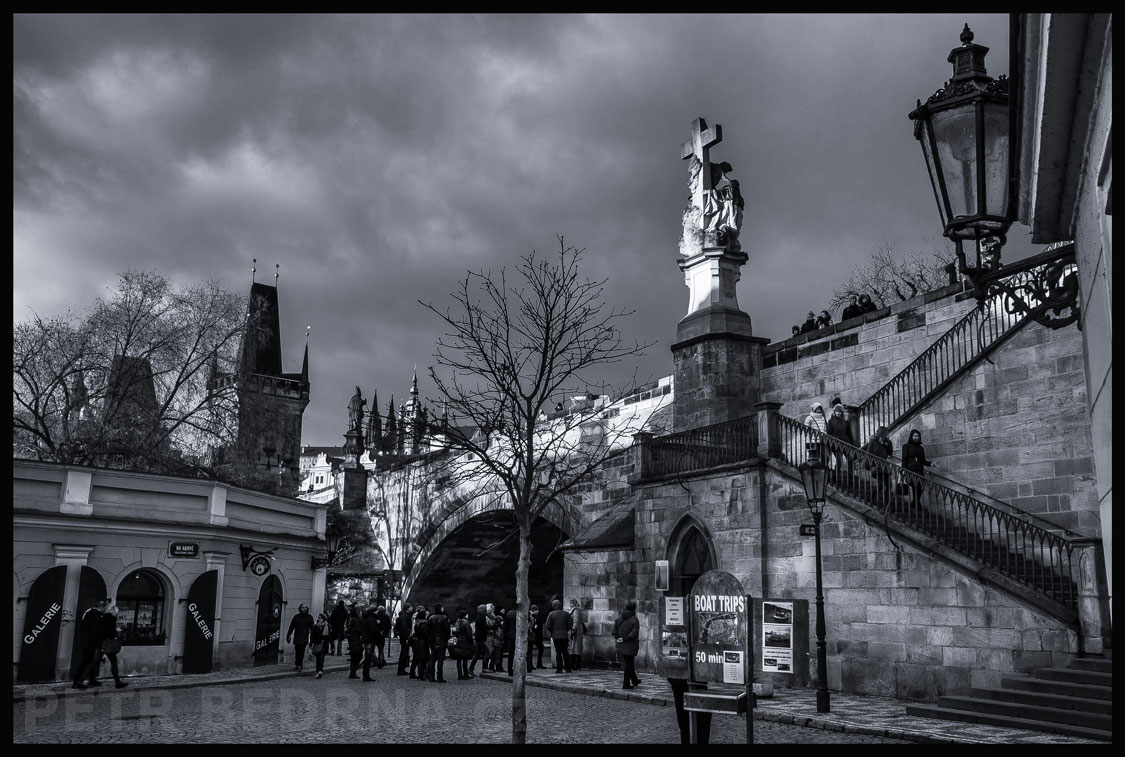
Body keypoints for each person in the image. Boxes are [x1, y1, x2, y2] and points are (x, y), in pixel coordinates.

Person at [73, 597, 108, 689]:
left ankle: (92, 680)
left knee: (90, 661)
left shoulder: (88, 613)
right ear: (102, 607)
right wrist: (98, 645)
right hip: (91, 643)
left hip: (85, 642)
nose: (105, 610)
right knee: (85, 662)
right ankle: (76, 682)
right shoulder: (97, 616)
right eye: (105, 608)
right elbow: (95, 632)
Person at [902, 428, 936, 511]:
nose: (917, 438)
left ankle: (914, 503)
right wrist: (904, 470)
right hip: (910, 470)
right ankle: (917, 505)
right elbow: (904, 459)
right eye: (915, 436)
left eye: (918, 436)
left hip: (920, 470)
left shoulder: (920, 448)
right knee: (915, 487)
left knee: (919, 488)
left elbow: (923, 461)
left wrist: (931, 463)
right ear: (911, 437)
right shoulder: (906, 446)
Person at [95, 603, 127, 689]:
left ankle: (82, 679)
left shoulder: (104, 617)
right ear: (113, 612)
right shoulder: (111, 618)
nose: (117, 614)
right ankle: (118, 682)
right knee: (113, 663)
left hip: (102, 642)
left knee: (95, 661)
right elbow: (110, 632)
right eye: (117, 612)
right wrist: (116, 633)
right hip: (108, 643)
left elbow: (104, 630)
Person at [861, 425, 894, 507]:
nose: (887, 435)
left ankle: (886, 503)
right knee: (880, 485)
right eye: (885, 433)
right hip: (876, 465)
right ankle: (870, 498)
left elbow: (890, 453)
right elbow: (869, 453)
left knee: (889, 485)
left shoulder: (887, 442)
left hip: (885, 465)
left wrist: (887, 444)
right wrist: (871, 466)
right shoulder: (873, 441)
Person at [612, 600, 641, 690]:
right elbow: (634, 634)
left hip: (620, 644)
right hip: (629, 645)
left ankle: (635, 680)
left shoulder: (619, 617)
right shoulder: (634, 619)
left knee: (629, 663)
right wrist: (624, 639)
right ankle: (626, 684)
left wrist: (618, 638)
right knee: (628, 664)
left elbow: (614, 630)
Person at [826, 403, 854, 484]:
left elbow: (849, 433)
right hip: (836, 444)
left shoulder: (845, 421)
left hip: (846, 442)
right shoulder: (831, 421)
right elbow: (829, 433)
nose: (838, 413)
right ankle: (835, 476)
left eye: (840, 412)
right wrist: (833, 442)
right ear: (834, 412)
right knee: (839, 461)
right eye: (837, 412)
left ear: (842, 412)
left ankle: (850, 478)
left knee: (850, 459)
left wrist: (852, 443)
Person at [543, 599, 572, 673]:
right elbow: (570, 624)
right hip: (564, 635)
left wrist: (552, 630)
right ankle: (568, 668)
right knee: (565, 651)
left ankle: (559, 669)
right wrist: (565, 629)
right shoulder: (566, 614)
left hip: (555, 635)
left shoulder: (551, 614)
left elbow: (548, 625)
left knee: (558, 652)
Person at [286, 603, 315, 672]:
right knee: (297, 651)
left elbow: (312, 628)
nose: (304, 609)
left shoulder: (309, 617)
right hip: (297, 636)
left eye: (305, 607)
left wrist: (312, 638)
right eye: (303, 607)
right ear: (300, 608)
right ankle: (297, 664)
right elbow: (291, 626)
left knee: (301, 651)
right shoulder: (296, 617)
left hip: (304, 636)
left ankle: (300, 665)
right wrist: (289, 635)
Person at [427, 603, 451, 683]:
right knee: (440, 660)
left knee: (432, 659)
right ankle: (439, 677)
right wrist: (447, 638)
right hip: (442, 640)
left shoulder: (431, 618)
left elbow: (428, 630)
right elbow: (447, 630)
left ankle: (431, 676)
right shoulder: (444, 618)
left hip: (433, 641)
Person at [468, 604, 491, 677]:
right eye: (485, 610)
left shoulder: (480, 617)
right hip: (480, 639)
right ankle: (484, 668)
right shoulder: (480, 618)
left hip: (479, 638)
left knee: (477, 654)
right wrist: (494, 627)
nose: (486, 611)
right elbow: (485, 627)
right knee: (488, 652)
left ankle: (471, 669)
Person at [360, 604, 382, 681]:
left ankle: (365, 675)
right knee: (368, 658)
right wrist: (379, 630)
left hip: (366, 639)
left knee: (368, 657)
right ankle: (366, 675)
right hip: (370, 639)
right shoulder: (371, 619)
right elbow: (374, 630)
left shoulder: (365, 618)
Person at [452, 609, 475, 679]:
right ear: (465, 615)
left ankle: (459, 675)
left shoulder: (457, 622)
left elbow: (455, 632)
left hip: (459, 641)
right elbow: (469, 634)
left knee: (459, 660)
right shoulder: (466, 623)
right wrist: (471, 642)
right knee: (465, 659)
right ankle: (465, 674)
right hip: (465, 642)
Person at [409, 606, 431, 680]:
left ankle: (414, 673)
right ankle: (423, 674)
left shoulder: (417, 623)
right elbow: (426, 633)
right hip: (423, 642)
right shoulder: (424, 623)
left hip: (417, 642)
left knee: (416, 658)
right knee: (424, 659)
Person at [345, 603, 364, 679]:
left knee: (355, 656)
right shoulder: (356, 619)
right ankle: (353, 672)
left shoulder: (351, 618)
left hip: (353, 638)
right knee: (357, 656)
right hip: (356, 639)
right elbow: (359, 629)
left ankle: (352, 672)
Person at [395, 603, 414, 675]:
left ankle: (402, 669)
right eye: (411, 607)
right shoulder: (405, 617)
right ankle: (401, 669)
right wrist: (406, 637)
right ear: (407, 608)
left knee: (404, 653)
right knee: (404, 653)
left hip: (404, 637)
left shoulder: (405, 616)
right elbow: (404, 628)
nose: (412, 608)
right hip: (405, 637)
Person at [568, 599, 585, 671]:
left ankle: (576, 665)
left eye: (571, 603)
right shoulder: (575, 610)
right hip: (575, 629)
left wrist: (573, 629)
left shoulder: (576, 611)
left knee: (576, 648)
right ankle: (575, 665)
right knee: (574, 647)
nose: (570, 605)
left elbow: (576, 621)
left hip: (576, 630)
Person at [311, 613, 330, 678]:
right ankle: (318, 670)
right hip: (317, 643)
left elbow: (329, 636)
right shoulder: (315, 626)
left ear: (324, 619)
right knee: (318, 658)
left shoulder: (327, 626)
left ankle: (320, 671)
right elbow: (312, 636)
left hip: (324, 644)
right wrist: (311, 643)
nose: (319, 619)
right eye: (319, 618)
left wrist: (332, 645)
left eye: (321, 618)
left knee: (321, 658)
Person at [527, 604, 546, 670]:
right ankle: (532, 664)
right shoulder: (531, 617)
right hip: (534, 636)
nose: (538, 611)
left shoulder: (537, 617)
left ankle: (538, 664)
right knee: (531, 650)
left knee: (540, 649)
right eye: (536, 610)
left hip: (536, 636)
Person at [488, 604, 506, 673]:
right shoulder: (498, 620)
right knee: (498, 654)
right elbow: (499, 633)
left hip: (496, 640)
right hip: (498, 640)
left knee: (495, 654)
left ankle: (491, 666)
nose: (504, 610)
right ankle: (498, 667)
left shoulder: (495, 620)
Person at [504, 606, 518, 676]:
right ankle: (517, 669)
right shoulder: (519, 613)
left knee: (511, 654)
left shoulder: (509, 614)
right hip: (518, 636)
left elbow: (505, 626)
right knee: (518, 654)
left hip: (510, 636)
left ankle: (510, 670)